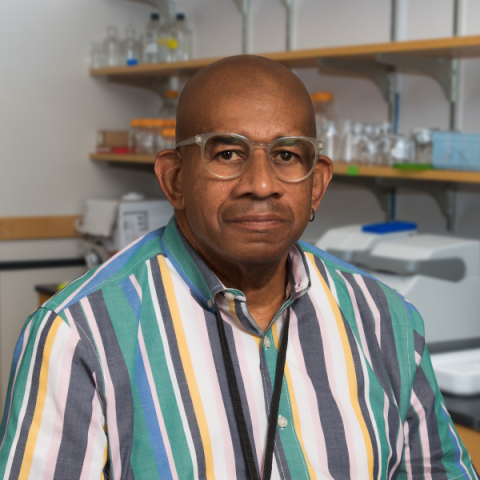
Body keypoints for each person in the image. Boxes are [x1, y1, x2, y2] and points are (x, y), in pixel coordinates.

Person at [0, 55, 476, 480]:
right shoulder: (78, 334)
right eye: (227, 153)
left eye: (287, 155)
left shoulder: (385, 318)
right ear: (175, 178)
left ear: (317, 184)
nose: (262, 183)